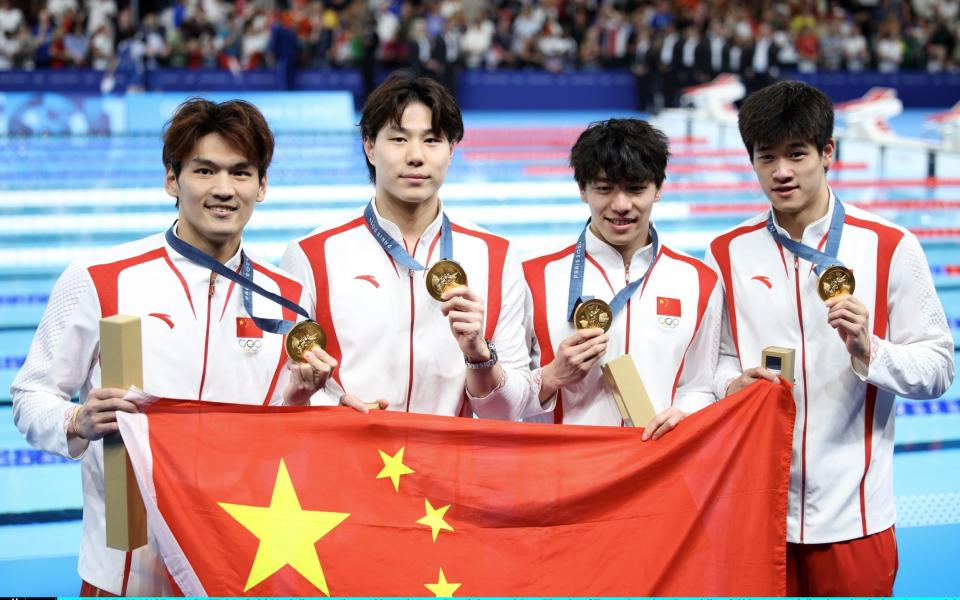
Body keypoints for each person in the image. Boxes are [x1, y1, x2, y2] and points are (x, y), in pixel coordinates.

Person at [11, 98, 331, 596]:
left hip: (236, 561)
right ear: (171, 179)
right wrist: (76, 421)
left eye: (241, 173)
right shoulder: (99, 278)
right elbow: (31, 396)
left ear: (262, 186)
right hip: (123, 566)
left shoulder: (289, 295)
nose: (224, 189)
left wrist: (300, 400)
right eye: (204, 170)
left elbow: (282, 434)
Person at [705, 80, 955, 595]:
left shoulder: (890, 247)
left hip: (855, 518)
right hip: (757, 512)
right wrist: (733, 384)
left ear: (828, 153)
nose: (781, 172)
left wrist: (872, 351)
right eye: (766, 157)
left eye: (797, 154)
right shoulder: (726, 252)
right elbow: (713, 363)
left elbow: (939, 371)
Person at [281, 71, 534, 419]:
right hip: (348, 463)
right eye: (399, 139)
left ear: (451, 150)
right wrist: (331, 406)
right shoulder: (311, 254)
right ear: (369, 147)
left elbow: (508, 412)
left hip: (448, 468)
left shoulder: (496, 256)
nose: (416, 156)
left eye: (432, 140)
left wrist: (479, 356)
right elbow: (282, 393)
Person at [522, 118, 721, 438]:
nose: (621, 205)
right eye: (604, 189)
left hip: (655, 469)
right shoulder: (533, 278)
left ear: (658, 189)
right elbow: (497, 401)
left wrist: (685, 414)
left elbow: (700, 385)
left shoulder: (699, 281)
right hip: (565, 475)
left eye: (636, 188)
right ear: (582, 191)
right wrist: (549, 378)